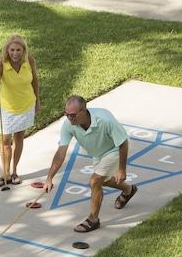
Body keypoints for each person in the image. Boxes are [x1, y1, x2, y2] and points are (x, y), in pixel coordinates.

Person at [43, 95, 138, 232]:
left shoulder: (104, 119)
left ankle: (93, 220)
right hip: (99, 154)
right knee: (103, 181)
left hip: (115, 149)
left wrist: (122, 169)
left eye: (73, 115)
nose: (70, 118)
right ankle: (129, 190)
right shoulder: (68, 125)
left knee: (95, 181)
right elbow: (61, 152)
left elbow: (123, 143)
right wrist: (49, 177)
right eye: (67, 115)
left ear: (84, 111)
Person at [0, 34, 40, 187]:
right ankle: (5, 174)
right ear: (7, 50)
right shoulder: (1, 64)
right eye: (12, 50)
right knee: (5, 141)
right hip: (8, 108)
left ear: (24, 50)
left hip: (26, 104)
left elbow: (35, 80)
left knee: (19, 138)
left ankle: (14, 171)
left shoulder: (29, 60)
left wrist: (37, 101)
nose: (15, 53)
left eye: (18, 50)